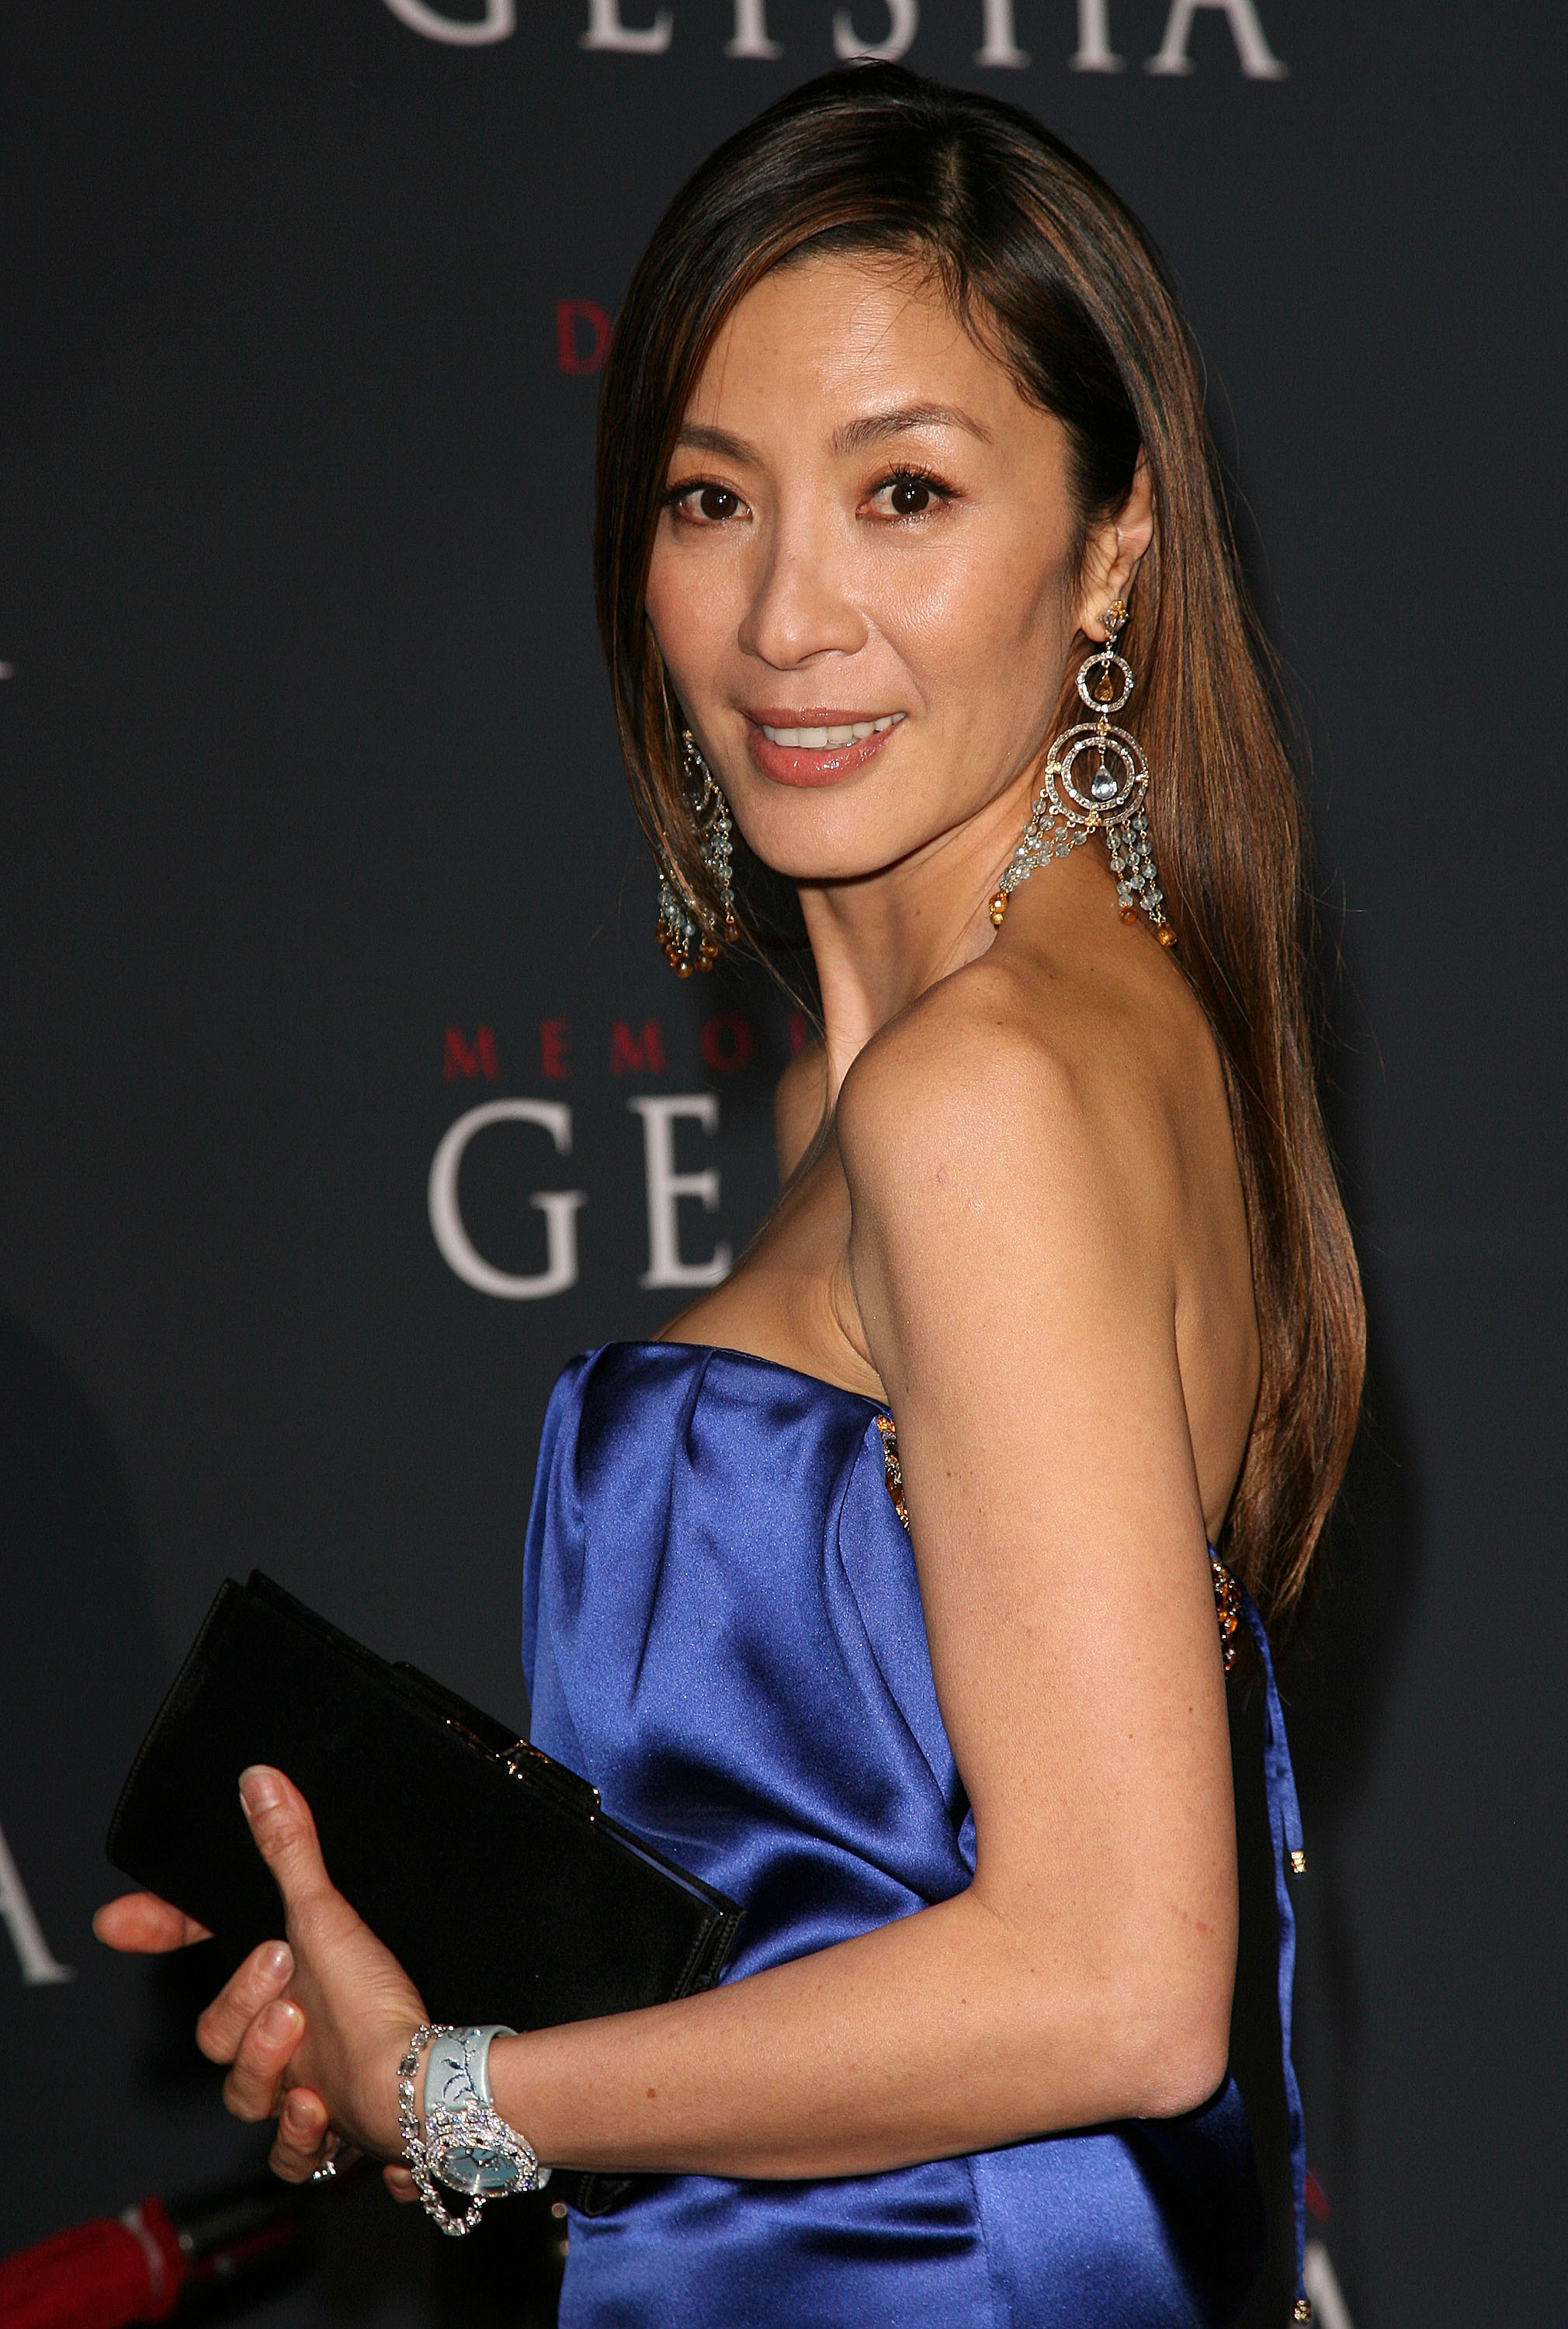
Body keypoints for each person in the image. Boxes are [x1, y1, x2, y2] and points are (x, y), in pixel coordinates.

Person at [97, 64, 1364, 2328]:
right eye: (710, 498)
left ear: (1110, 544)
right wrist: (446, 1967)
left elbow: (1115, 1982)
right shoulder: (1004, 1051)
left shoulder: (982, 1091)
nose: (786, 617)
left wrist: (477, 2094)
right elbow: (878, 1840)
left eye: (903, 493)